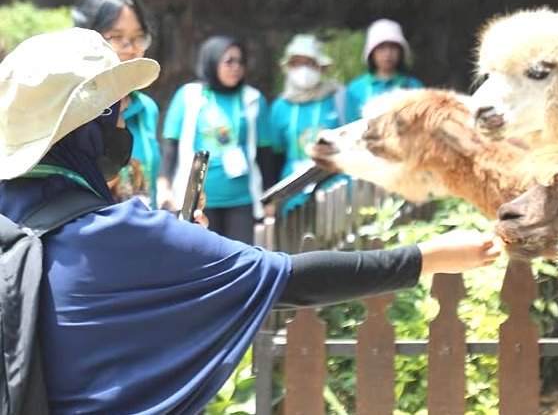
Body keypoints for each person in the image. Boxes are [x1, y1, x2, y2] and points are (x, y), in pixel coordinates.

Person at [0, 28, 501, 414]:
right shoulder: (121, 235)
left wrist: (175, 249)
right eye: (114, 118)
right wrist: (429, 257)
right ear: (88, 131)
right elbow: (288, 277)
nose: (123, 128)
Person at [158, 35, 275, 242]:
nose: (236, 67)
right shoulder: (188, 95)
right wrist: (164, 185)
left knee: (240, 262)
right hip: (198, 200)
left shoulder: (253, 99)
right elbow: (171, 146)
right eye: (229, 61)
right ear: (212, 61)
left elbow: (265, 153)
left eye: (240, 62)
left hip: (242, 199)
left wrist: (269, 197)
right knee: (203, 260)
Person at [72, 0, 162, 207]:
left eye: (138, 36)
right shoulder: (71, 111)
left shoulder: (146, 108)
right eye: (116, 36)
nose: (131, 48)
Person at [269, 34, 344, 210]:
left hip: (333, 188)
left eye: (309, 63)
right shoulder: (280, 106)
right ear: (289, 68)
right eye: (297, 63)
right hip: (292, 191)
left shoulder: (337, 98)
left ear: (321, 67)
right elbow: (275, 155)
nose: (303, 69)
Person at [344, 18, 423, 123]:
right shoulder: (356, 88)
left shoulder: (414, 86)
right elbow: (350, 127)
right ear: (371, 52)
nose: (388, 53)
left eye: (393, 47)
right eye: (381, 48)